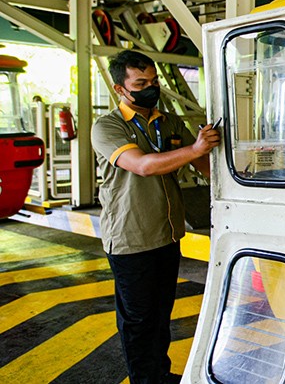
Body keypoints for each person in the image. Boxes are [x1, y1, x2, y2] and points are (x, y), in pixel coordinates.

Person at [91, 50, 220, 384]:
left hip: (167, 234)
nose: (150, 88)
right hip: (131, 238)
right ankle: (145, 380)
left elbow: (205, 166)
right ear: (120, 89)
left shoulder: (169, 122)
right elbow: (143, 166)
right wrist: (195, 149)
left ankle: (159, 375)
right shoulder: (108, 126)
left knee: (161, 314)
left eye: (154, 81)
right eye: (140, 84)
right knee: (139, 320)